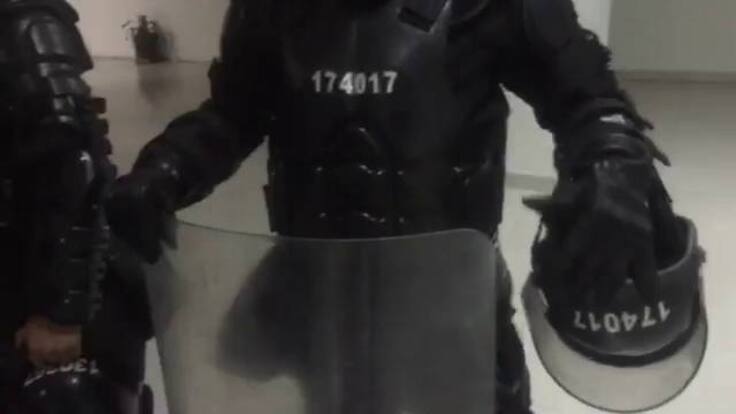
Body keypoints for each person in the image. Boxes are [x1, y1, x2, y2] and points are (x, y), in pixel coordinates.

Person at [107, 0, 676, 412]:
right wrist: (167, 168)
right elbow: (233, 113)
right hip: (318, 297)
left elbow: (587, 97)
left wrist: (613, 158)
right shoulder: (273, 8)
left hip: (451, 298)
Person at [0, 1, 150, 412]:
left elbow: (74, 162)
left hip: (45, 282)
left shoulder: (23, 24)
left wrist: (61, 314)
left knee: (65, 396)